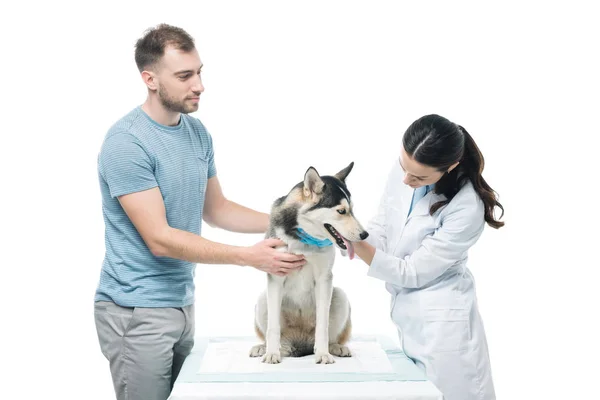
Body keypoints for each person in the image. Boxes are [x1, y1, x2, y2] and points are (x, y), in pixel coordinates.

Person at [93, 24, 306, 400]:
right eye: (184, 75)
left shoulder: (197, 133)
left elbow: (217, 209)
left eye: (199, 71)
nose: (199, 85)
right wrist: (248, 258)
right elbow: (160, 239)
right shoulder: (127, 143)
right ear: (150, 79)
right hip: (135, 310)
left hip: (181, 302)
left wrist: (291, 223)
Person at [352, 114, 503, 400]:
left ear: (451, 166)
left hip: (444, 325)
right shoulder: (406, 170)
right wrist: (350, 232)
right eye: (403, 167)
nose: (407, 179)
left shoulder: (467, 207)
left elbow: (412, 272)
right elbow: (382, 225)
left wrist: (356, 243)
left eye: (419, 177)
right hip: (408, 316)